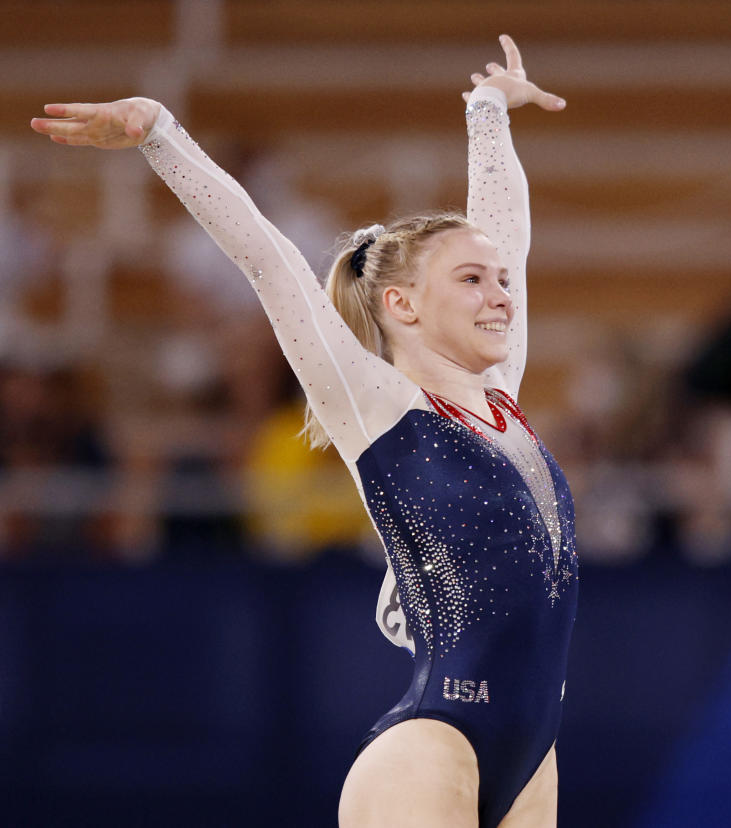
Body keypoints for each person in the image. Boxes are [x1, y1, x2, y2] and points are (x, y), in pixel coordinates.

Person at [32, 35, 576, 828]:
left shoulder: (502, 398)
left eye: (500, 282)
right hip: (433, 749)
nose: (501, 295)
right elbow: (267, 260)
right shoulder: (379, 405)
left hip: (534, 753)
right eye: (471, 280)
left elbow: (508, 234)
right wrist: (159, 135)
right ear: (402, 306)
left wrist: (488, 110)